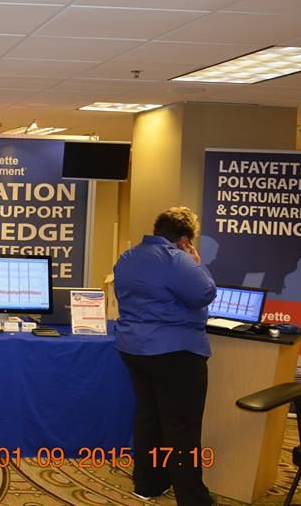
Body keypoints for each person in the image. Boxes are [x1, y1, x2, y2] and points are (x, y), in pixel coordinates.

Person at [113, 207, 217, 506]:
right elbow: (204, 294)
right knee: (182, 428)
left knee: (149, 417)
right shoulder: (177, 259)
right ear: (185, 240)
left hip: (134, 349)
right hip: (176, 352)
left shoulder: (128, 257)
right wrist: (198, 264)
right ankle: (193, 498)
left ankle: (148, 483)